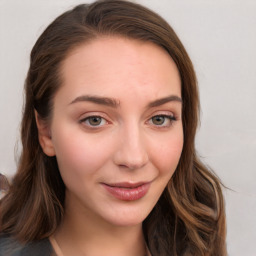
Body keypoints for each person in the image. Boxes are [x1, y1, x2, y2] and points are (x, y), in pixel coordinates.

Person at [0, 0, 227, 255]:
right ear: (46, 132)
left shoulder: (198, 247)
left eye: (159, 118)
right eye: (95, 120)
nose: (134, 157)